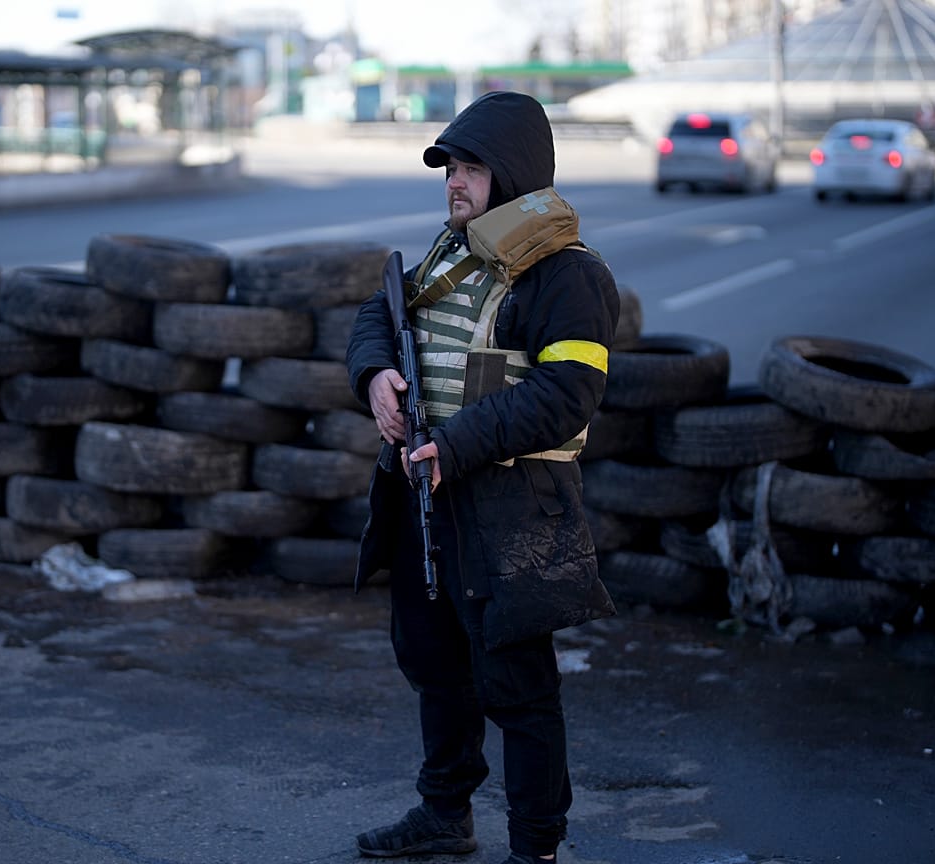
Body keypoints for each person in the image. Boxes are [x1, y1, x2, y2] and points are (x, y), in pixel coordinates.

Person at [345, 90, 620, 863]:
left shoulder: (566, 275)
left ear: (514, 174)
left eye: (470, 168)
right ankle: (444, 814)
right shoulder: (451, 252)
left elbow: (567, 396)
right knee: (435, 665)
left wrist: (457, 443)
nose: (454, 183)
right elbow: (375, 314)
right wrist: (374, 375)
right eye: (450, 169)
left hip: (511, 508)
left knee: (519, 688)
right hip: (425, 493)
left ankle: (535, 847)